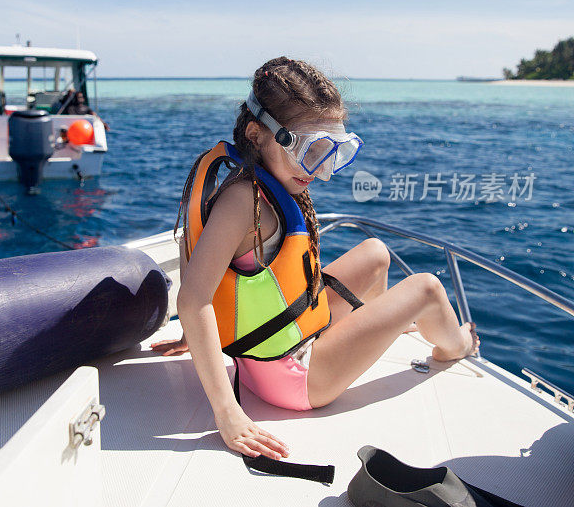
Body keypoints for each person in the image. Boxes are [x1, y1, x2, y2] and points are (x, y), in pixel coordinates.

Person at [152, 56, 479, 464]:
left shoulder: (250, 183)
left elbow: (197, 257)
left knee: (376, 254)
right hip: (290, 379)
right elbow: (193, 297)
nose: (321, 170)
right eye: (310, 150)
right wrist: (228, 412)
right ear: (257, 134)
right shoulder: (243, 201)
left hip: (289, 337)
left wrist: (191, 339)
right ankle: (459, 345)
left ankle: (373, 330)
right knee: (428, 287)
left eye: (332, 151)